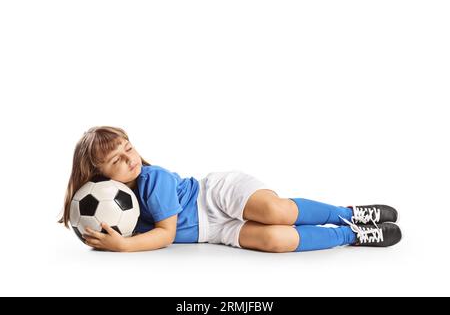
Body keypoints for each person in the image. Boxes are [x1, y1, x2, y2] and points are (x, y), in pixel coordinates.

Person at [59, 126, 402, 252]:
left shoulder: (154, 179)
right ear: (98, 174)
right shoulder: (105, 201)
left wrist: (124, 246)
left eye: (128, 147)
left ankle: (349, 215)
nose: (129, 159)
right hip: (211, 231)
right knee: (274, 239)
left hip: (215, 194)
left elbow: (165, 234)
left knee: (275, 212)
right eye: (116, 160)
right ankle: (351, 237)